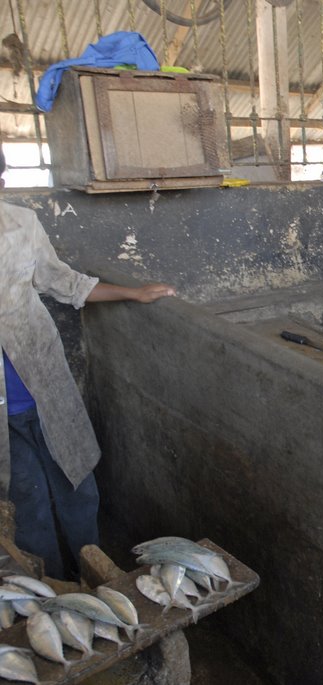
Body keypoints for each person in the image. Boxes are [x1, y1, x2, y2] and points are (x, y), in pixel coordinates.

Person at [0, 149, 176, 580]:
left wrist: (133, 293)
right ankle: (53, 592)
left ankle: (93, 572)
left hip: (42, 379)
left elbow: (62, 281)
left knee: (77, 480)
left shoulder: (20, 224)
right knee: (26, 501)